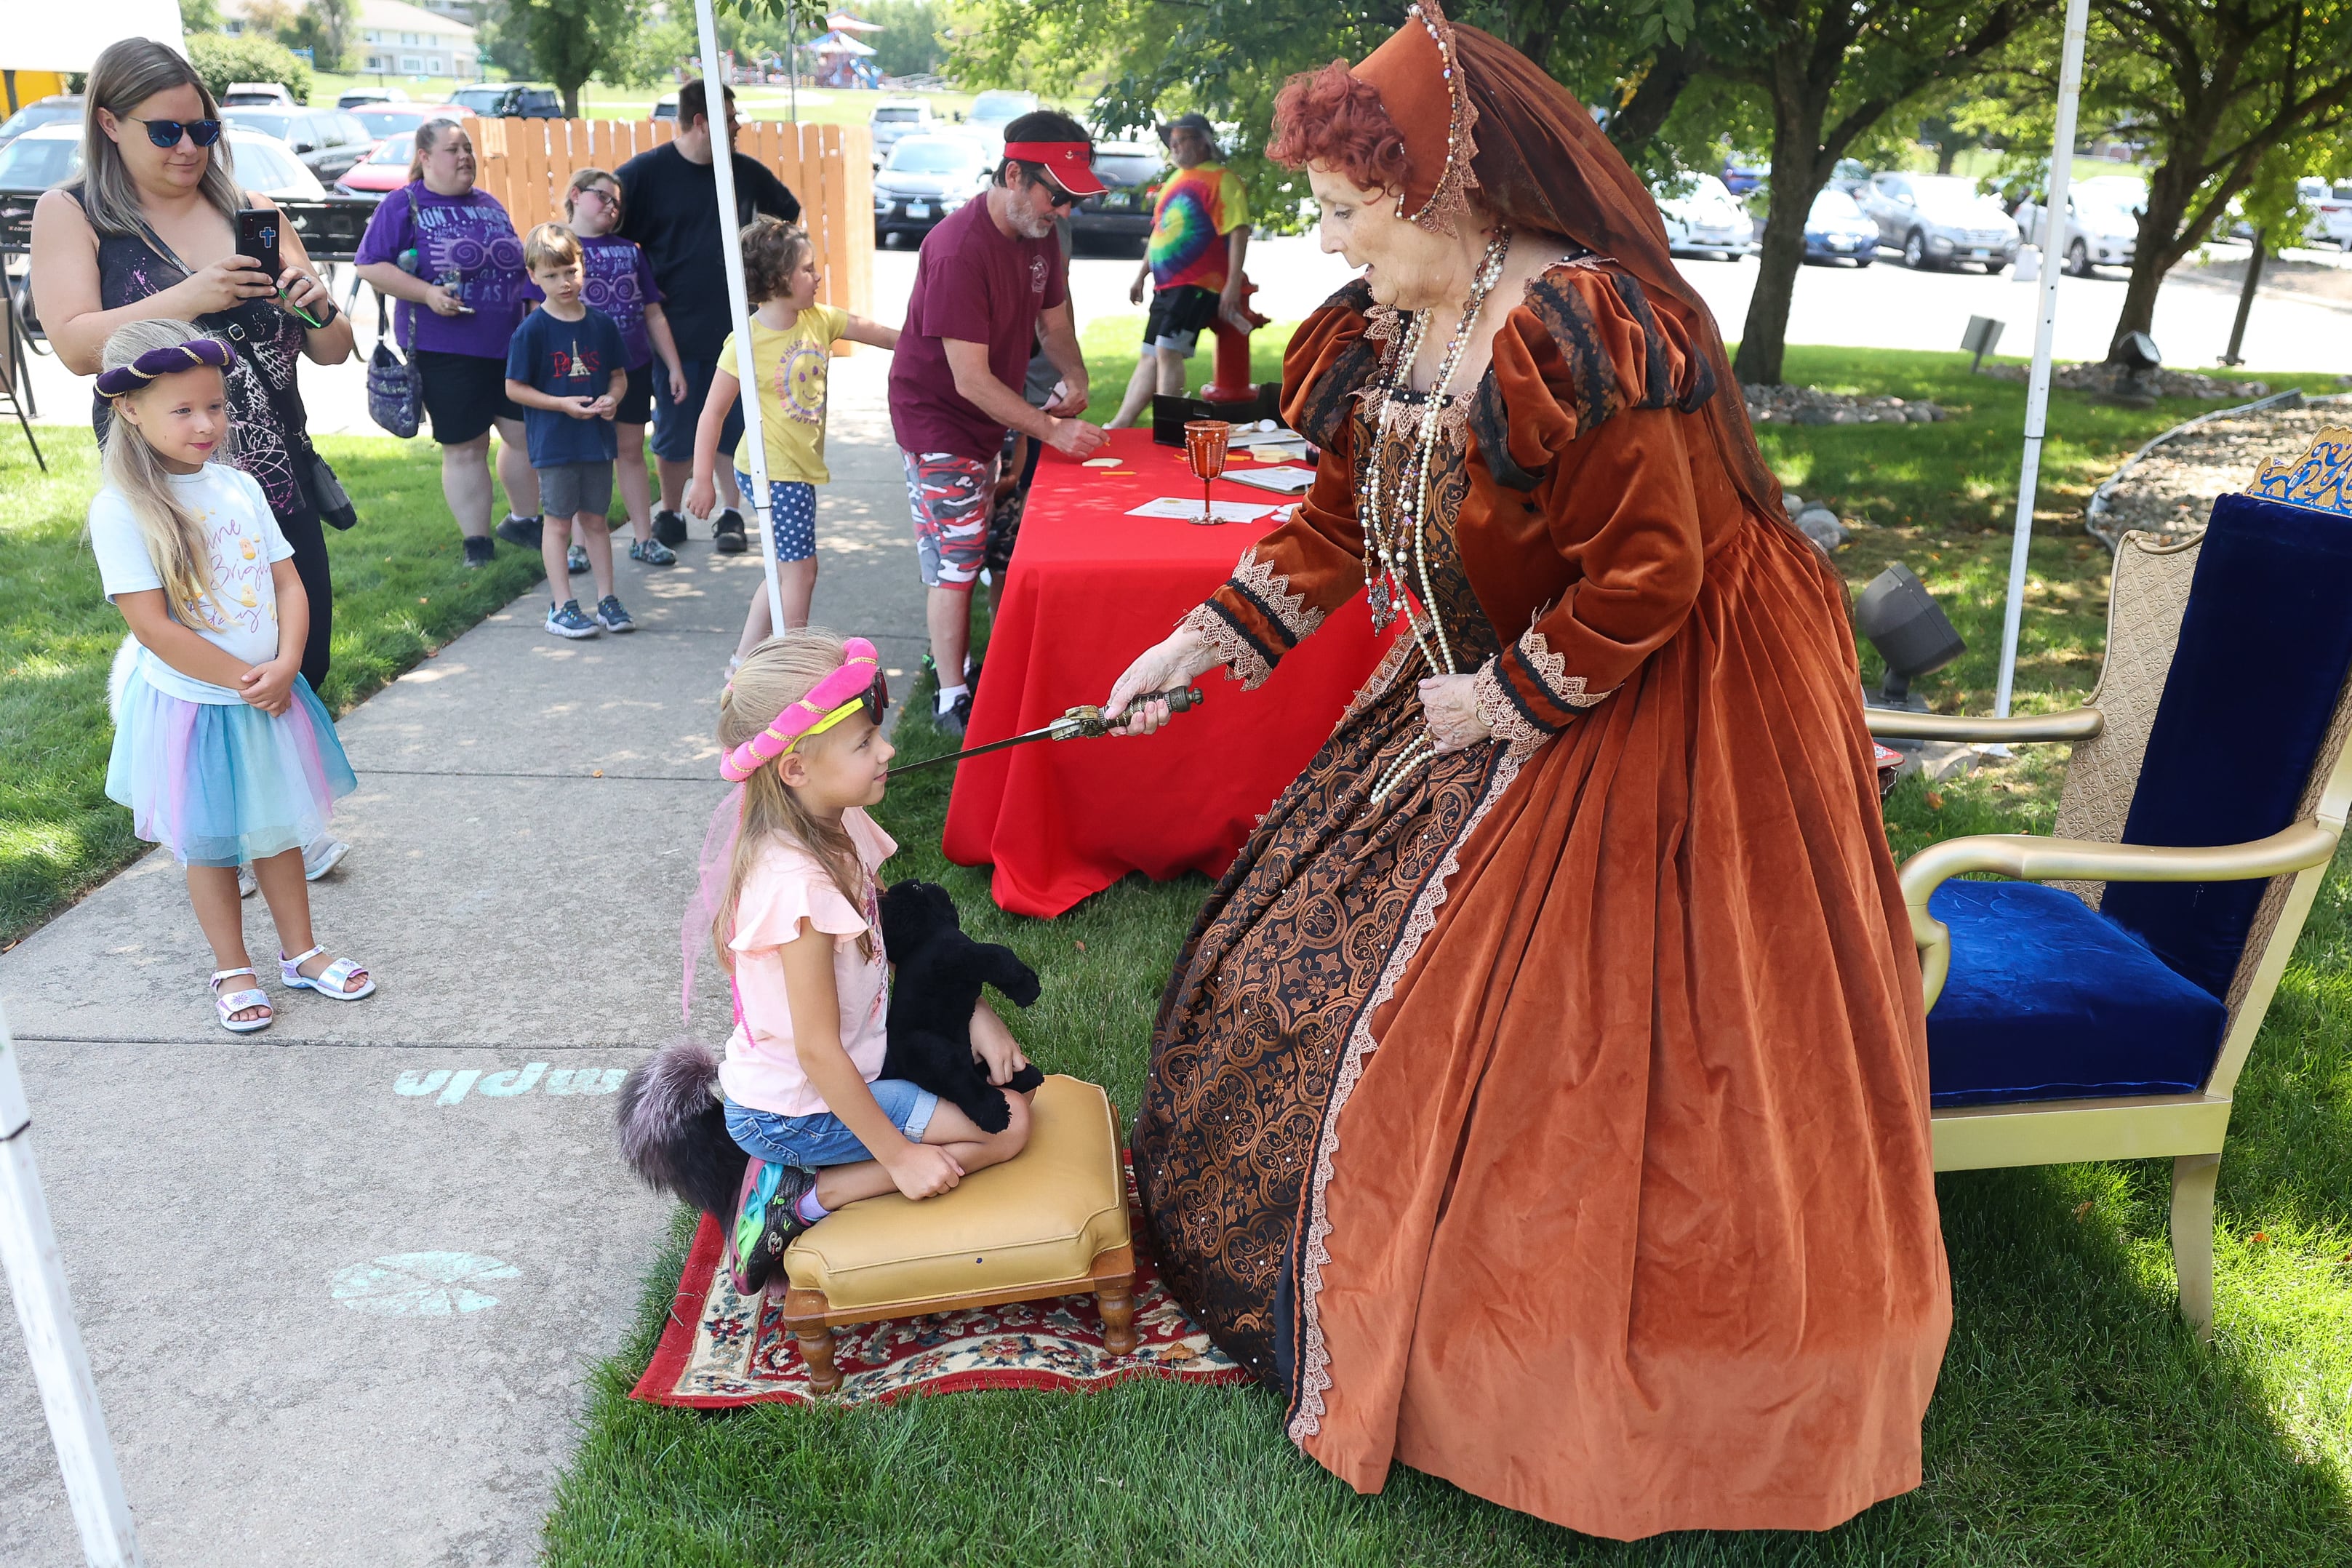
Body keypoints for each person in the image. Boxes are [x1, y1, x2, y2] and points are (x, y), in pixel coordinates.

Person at [1103, 3, 1948, 1540]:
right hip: (1468, 677)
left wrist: (1506, 702)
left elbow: (1652, 574)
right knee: (1314, 973)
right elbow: (1343, 526)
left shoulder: (1585, 332)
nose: (1325, 237)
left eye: (1349, 208)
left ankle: (1565, 1365)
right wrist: (1204, 644)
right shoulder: (1393, 330)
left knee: (1608, 1054)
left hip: (1664, 701)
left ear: (1448, 198)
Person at [31, 38, 359, 889]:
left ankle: (283, 815)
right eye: (166, 130)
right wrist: (193, 297)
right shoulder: (76, 212)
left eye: (203, 129)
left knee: (300, 647)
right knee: (202, 669)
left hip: (268, 477)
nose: (188, 149)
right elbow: (70, 343)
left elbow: (332, 350)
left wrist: (318, 304)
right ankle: (228, 831)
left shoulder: (247, 206)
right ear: (109, 123)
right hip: (169, 492)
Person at [701, 630, 1034, 1295]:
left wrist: (977, 1013)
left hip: (851, 1065)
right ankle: (803, 1196)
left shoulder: (836, 819)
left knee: (999, 1097)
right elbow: (818, 1053)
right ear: (795, 767)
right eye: (864, 743)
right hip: (796, 1109)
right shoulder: (795, 887)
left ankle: (828, 1171)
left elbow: (899, 941)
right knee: (1009, 1129)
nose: (888, 749)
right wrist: (903, 1159)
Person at [88, 320, 374, 1034]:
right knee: (211, 843)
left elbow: (289, 582)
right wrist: (248, 678)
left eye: (215, 406)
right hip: (197, 707)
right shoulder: (121, 507)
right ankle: (233, 965)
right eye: (183, 409)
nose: (206, 423)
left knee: (277, 831)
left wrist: (286, 666)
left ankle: (300, 952)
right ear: (130, 408)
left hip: (268, 694)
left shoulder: (240, 485)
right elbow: (153, 626)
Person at [887, 109, 1107, 737]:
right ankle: (951, 697)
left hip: (986, 416)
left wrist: (1080, 379)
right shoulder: (956, 250)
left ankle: (978, 665)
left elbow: (1055, 319)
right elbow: (970, 380)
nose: (1063, 211)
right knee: (957, 559)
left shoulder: (1038, 234)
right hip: (940, 421)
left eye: (1072, 200)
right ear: (1014, 174)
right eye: (1056, 195)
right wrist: (1051, 428)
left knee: (983, 549)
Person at [682, 218, 900, 674]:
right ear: (777, 282)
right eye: (807, 270)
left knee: (785, 570)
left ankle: (745, 659)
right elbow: (711, 414)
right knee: (801, 570)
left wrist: (930, 346)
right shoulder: (745, 342)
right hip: (772, 470)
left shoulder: (819, 320)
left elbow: (879, 334)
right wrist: (704, 480)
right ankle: (794, 662)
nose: (817, 277)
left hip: (793, 468)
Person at [615, 79, 801, 555]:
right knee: (676, 428)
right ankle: (672, 513)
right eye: (730, 117)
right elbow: (607, 227)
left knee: (734, 426)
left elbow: (787, 216)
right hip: (671, 329)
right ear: (702, 122)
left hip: (737, 325)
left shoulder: (744, 173)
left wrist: (767, 268)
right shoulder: (645, 175)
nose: (738, 125)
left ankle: (731, 514)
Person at [353, 118, 543, 570]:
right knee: (467, 445)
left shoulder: (489, 203)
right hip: (446, 348)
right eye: (453, 149)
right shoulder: (404, 205)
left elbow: (519, 267)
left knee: (523, 436)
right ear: (424, 158)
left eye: (469, 150)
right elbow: (370, 265)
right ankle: (477, 541)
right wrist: (428, 294)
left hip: (510, 344)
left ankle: (523, 520)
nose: (464, 158)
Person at [505, 223, 633, 640]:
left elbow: (618, 375)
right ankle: (561, 605)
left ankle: (607, 599)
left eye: (570, 271)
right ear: (533, 277)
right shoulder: (532, 330)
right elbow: (514, 388)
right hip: (555, 443)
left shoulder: (601, 324)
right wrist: (561, 404)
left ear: (582, 267)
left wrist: (613, 398)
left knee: (596, 520)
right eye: (551, 275)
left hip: (596, 441)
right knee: (559, 523)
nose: (564, 282)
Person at [562, 168, 687, 570]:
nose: (612, 208)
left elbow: (652, 313)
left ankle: (644, 539)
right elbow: (537, 312)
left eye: (618, 202)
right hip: (577, 371)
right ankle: (578, 546)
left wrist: (673, 366)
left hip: (632, 366)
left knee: (630, 451)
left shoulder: (630, 251)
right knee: (583, 457)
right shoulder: (557, 248)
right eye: (604, 197)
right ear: (576, 195)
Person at [1107, 111, 1253, 429]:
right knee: (1149, 353)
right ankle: (1120, 426)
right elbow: (1160, 231)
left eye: (1181, 139)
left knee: (1167, 350)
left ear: (1203, 143)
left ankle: (1167, 425)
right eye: (1170, 140)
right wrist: (1141, 274)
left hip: (1199, 283)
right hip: (1166, 284)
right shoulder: (1174, 180)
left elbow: (1238, 230)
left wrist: (1230, 284)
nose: (1173, 146)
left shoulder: (1222, 179)